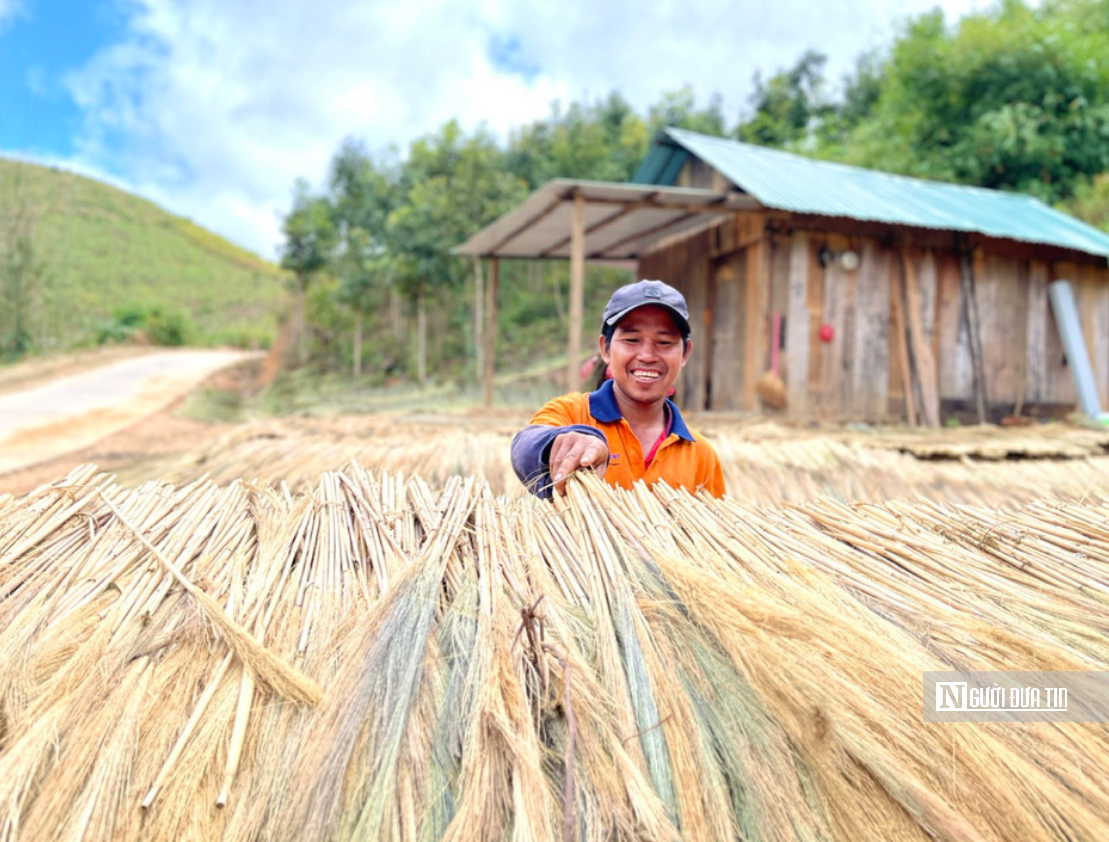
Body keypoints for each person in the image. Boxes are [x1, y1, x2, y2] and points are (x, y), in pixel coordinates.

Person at [512, 279, 726, 499]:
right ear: (605, 349)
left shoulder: (700, 454)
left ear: (685, 353)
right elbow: (525, 447)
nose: (647, 355)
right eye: (632, 339)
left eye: (664, 342)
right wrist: (571, 441)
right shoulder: (572, 413)